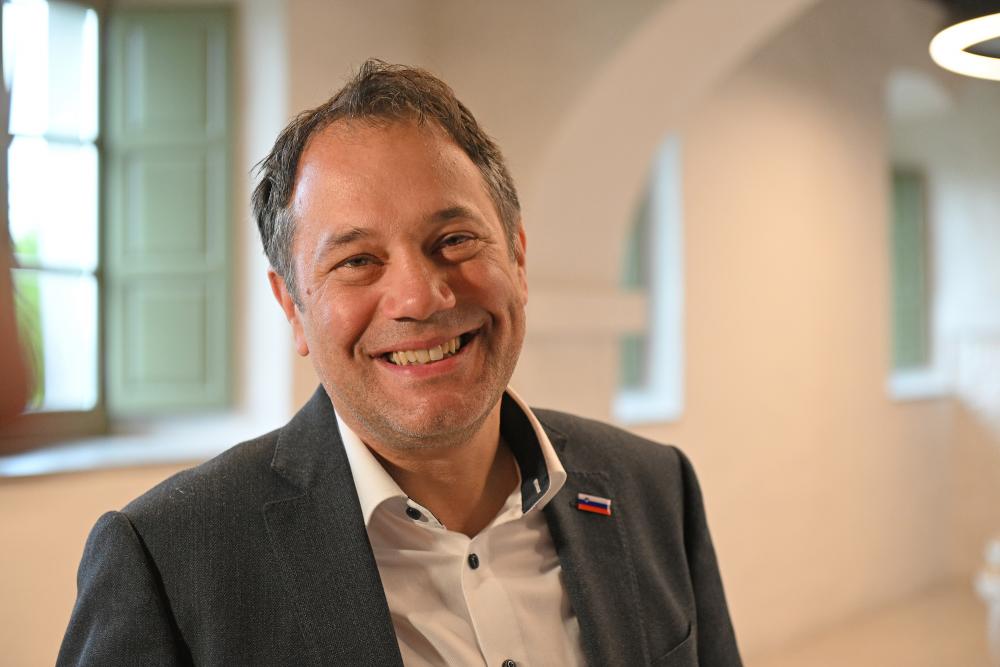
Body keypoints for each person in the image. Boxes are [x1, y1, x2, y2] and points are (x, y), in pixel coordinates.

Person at [58, 60, 741, 666]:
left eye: (455, 239)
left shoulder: (655, 489)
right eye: (358, 260)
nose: (419, 297)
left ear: (518, 258)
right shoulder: (167, 561)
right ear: (292, 306)